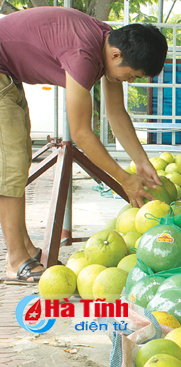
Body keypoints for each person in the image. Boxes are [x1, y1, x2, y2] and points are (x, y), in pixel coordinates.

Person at [0, 7, 168, 283]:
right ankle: (16, 260)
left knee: (17, 161)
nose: (130, 81)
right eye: (132, 75)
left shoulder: (108, 43)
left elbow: (116, 112)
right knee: (11, 165)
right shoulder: (84, 56)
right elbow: (80, 132)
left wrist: (141, 160)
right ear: (117, 55)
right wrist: (124, 179)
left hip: (8, 73)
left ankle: (26, 250)